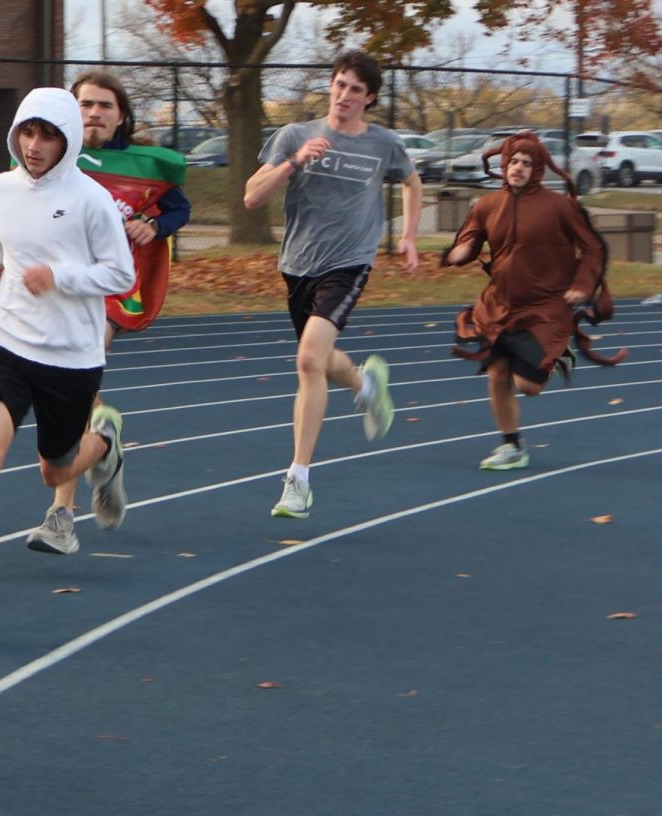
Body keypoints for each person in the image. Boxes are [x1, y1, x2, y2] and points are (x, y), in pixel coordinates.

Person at [0, 87, 136, 622]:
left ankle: (104, 445)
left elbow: (121, 273)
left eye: (47, 135)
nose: (35, 145)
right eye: (28, 132)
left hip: (72, 357)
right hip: (12, 344)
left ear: (66, 139)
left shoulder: (91, 200)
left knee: (54, 470)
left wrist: (60, 277)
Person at [243, 49, 422, 519]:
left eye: (355, 90)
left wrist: (407, 237)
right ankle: (365, 385)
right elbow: (250, 197)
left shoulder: (384, 144)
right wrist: (294, 162)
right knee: (320, 358)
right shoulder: (295, 136)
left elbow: (412, 182)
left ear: (370, 98)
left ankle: (297, 480)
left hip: (349, 261)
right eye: (339, 84)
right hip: (298, 263)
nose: (344, 95)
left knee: (307, 359)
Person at [24, 70, 192, 555]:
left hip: (114, 287)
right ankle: (105, 445)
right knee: (65, 391)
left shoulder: (147, 165)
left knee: (78, 373)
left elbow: (180, 209)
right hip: (59, 284)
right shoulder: (55, 158)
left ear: (122, 116)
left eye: (104, 106)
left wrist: (155, 224)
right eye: (85, 104)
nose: (94, 113)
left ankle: (60, 516)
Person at [442, 130, 623, 470]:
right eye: (513, 161)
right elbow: (468, 241)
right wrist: (459, 252)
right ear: (504, 164)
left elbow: (594, 248)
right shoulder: (487, 205)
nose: (518, 168)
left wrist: (584, 286)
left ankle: (556, 353)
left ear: (538, 169)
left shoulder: (561, 207)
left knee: (528, 386)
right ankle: (512, 446)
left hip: (545, 309)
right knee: (496, 374)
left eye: (527, 163)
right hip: (499, 305)